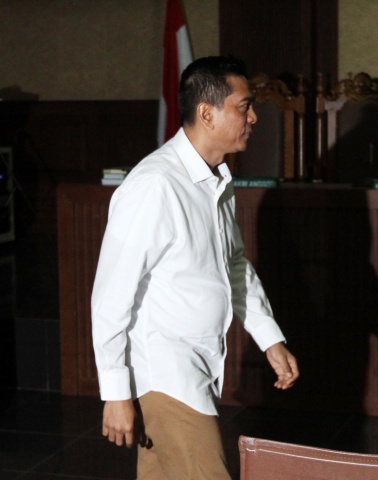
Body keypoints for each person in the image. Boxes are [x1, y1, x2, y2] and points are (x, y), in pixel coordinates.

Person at [91, 55, 299, 479]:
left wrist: (269, 337)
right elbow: (111, 296)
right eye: (244, 107)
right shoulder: (155, 185)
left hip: (196, 367)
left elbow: (233, 264)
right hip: (166, 374)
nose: (254, 118)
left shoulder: (216, 178)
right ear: (207, 113)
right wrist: (115, 392)